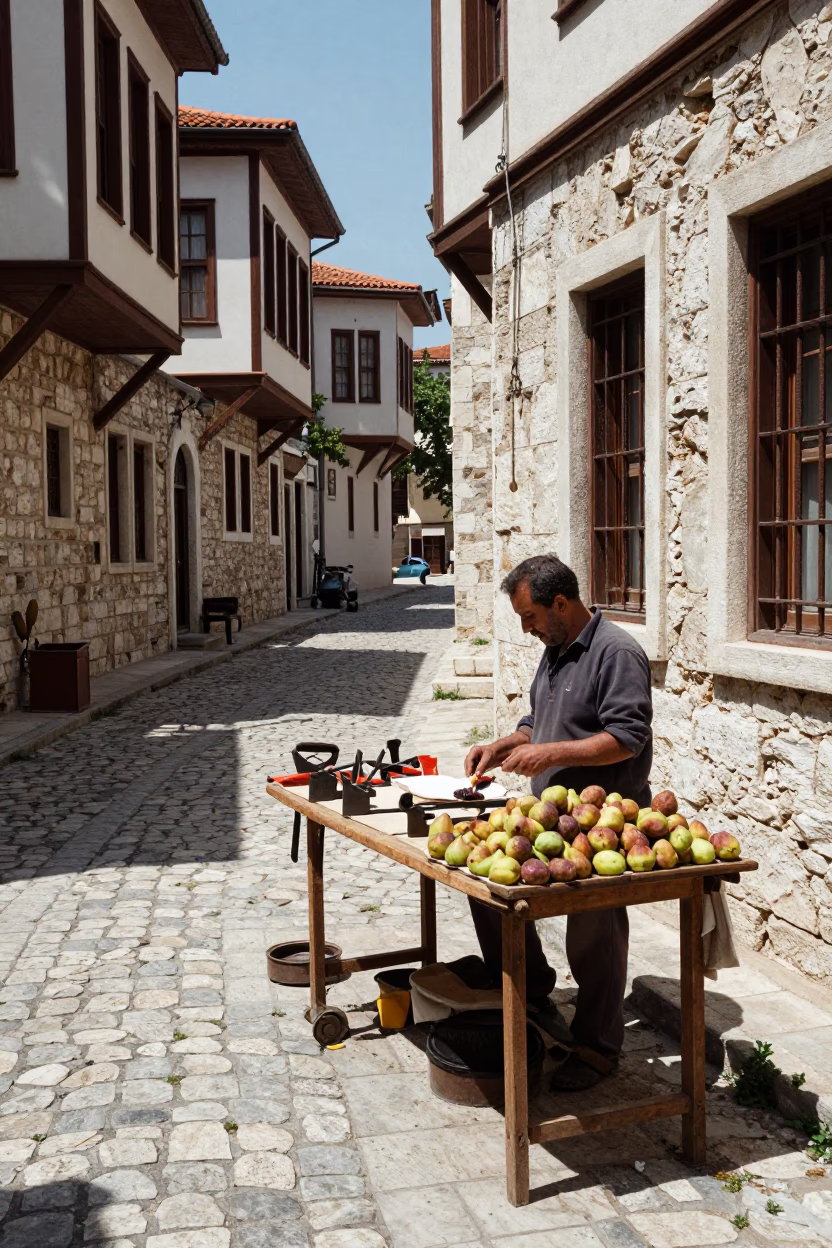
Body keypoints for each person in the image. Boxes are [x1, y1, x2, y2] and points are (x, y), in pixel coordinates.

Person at [464, 553, 653, 1090]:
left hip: (599, 822)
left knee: (593, 936)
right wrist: (513, 740)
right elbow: (538, 719)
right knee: (487, 892)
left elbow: (625, 737)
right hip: (544, 817)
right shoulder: (554, 647)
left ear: (562, 604)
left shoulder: (617, 653)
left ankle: (597, 1047)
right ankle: (535, 986)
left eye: (529, 617)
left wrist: (548, 755)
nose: (526, 629)